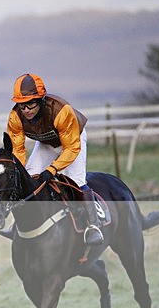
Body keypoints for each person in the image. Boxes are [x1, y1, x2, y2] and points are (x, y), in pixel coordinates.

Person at [6, 73, 104, 245]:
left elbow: (71, 148)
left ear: (41, 99)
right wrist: (19, 171)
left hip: (73, 140)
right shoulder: (15, 116)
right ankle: (18, 224)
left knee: (76, 180)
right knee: (29, 176)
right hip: (45, 142)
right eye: (22, 105)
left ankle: (93, 226)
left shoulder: (61, 111)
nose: (26, 109)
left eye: (30, 103)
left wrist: (52, 169)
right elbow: (18, 149)